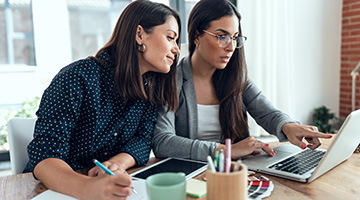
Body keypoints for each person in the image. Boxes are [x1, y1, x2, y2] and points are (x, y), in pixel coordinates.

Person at [23, 0, 181, 199]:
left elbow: (142, 140)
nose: (176, 49)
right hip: (54, 190)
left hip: (104, 188)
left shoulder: (150, 88)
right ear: (140, 34)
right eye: (170, 38)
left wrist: (116, 164)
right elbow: (45, 156)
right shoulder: (77, 77)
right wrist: (88, 188)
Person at [152, 0, 332, 162]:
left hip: (237, 172)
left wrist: (288, 126)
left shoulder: (237, 77)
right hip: (193, 174)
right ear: (197, 36)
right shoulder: (172, 80)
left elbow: (267, 113)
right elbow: (162, 142)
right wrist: (225, 151)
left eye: (234, 37)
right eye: (221, 36)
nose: (231, 47)